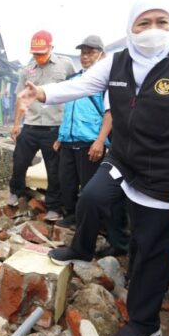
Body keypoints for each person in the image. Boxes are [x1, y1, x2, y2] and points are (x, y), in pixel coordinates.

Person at [18, 2, 169, 336]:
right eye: (144, 22)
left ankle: (145, 323)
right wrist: (42, 93)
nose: (153, 28)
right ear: (130, 28)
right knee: (92, 197)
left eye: (161, 21)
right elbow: (82, 84)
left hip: (165, 174)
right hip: (123, 159)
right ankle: (81, 248)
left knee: (150, 252)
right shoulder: (117, 61)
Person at [9, 30, 75, 217]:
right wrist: (16, 125)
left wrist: (67, 128)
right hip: (30, 125)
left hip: (55, 126)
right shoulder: (27, 70)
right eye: (35, 54)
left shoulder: (66, 65)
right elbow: (20, 100)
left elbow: (74, 94)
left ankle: (53, 207)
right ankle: (16, 191)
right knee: (19, 162)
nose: (38, 57)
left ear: (51, 48)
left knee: (54, 169)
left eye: (42, 53)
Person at [53, 35, 114, 234]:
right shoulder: (73, 80)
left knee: (90, 187)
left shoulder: (107, 82)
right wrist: (60, 137)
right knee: (67, 182)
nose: (85, 57)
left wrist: (100, 140)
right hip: (68, 141)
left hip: (90, 142)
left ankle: (93, 224)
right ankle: (71, 214)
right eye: (83, 53)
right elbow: (68, 112)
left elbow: (110, 113)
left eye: (91, 53)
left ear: (102, 55)